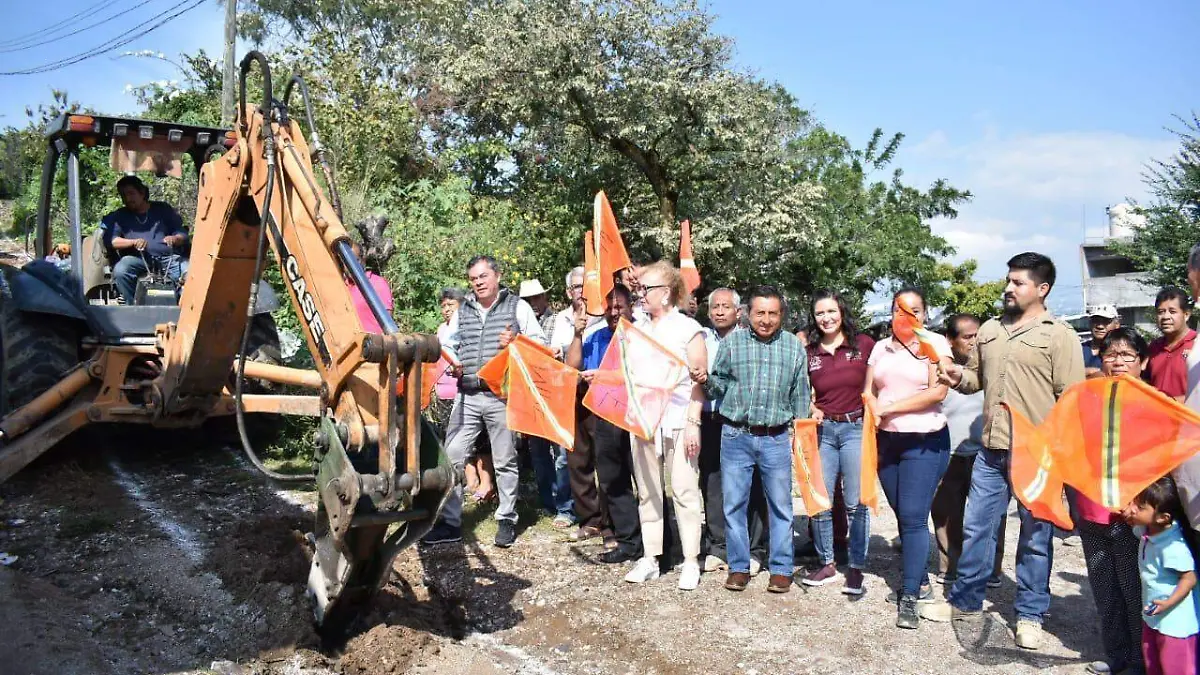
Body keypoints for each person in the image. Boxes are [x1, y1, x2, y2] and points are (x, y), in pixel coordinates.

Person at [923, 252, 1086, 651]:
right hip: (991, 451)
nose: (1008, 288)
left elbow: (1072, 400)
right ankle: (965, 600)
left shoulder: (1059, 335)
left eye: (1018, 282)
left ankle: (1029, 614)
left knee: (1034, 536)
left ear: (1041, 289)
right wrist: (957, 375)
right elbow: (976, 377)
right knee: (978, 528)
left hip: (1038, 455)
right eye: (1008, 280)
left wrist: (1064, 460)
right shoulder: (991, 329)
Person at [422, 255, 546, 549]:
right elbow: (447, 345)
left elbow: (539, 343)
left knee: (504, 460)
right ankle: (450, 522)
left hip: (501, 395)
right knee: (452, 456)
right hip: (467, 394)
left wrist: (516, 340)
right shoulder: (463, 310)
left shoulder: (517, 307)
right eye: (473, 278)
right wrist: (454, 362)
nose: (478, 282)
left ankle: (506, 519)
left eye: (483, 276)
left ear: (497, 276)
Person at [697, 285, 809, 595]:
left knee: (781, 506)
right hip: (735, 435)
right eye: (760, 312)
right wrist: (705, 379)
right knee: (734, 505)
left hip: (775, 438)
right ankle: (738, 567)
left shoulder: (793, 347)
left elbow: (801, 393)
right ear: (749, 313)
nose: (766, 319)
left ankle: (782, 569)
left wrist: (799, 434)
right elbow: (717, 385)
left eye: (773, 313)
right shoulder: (732, 344)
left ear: (781, 315)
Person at [864, 287, 952, 628]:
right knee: (903, 512)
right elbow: (870, 389)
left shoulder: (935, 344)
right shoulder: (879, 348)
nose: (908, 315)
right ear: (891, 313)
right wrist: (873, 407)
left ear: (925, 314)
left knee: (914, 517)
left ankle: (911, 595)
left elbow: (937, 391)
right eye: (900, 309)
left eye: (915, 310)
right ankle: (922, 579)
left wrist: (889, 408)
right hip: (887, 441)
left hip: (925, 440)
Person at [620, 261, 707, 590]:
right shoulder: (636, 327)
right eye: (638, 289)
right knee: (648, 491)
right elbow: (625, 372)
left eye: (646, 289)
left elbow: (700, 382)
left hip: (678, 421)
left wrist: (692, 423)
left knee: (684, 491)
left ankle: (690, 560)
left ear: (667, 294)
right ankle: (651, 558)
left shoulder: (688, 329)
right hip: (642, 420)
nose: (639, 294)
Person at [1074, 328, 1152, 675]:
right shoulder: (1087, 397)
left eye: (1127, 355)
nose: (1118, 361)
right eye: (1111, 354)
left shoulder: (1153, 402)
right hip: (1091, 510)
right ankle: (1115, 654)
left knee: (1133, 591)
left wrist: (1141, 504)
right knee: (1104, 589)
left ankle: (1139, 660)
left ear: (1142, 362)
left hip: (1130, 515)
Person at [801, 289, 875, 595]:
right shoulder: (811, 352)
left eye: (831, 311)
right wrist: (812, 407)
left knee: (856, 502)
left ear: (842, 312)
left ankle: (855, 567)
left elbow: (878, 385)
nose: (826, 318)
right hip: (824, 432)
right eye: (820, 313)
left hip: (855, 428)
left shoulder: (864, 345)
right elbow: (803, 392)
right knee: (820, 500)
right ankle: (827, 563)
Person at [930, 313, 1008, 589]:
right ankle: (950, 566)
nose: (974, 342)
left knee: (991, 516)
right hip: (948, 453)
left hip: (986, 454)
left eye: (977, 336)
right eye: (967, 337)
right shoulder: (938, 371)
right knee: (947, 514)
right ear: (950, 341)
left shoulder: (993, 369)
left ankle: (991, 569)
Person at [569, 284, 642, 563]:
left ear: (630, 306)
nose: (614, 311)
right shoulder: (596, 336)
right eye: (609, 307)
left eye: (619, 306)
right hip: (605, 417)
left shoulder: (641, 335)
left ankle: (659, 541)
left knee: (645, 483)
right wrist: (577, 332)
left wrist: (605, 375)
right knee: (613, 480)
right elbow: (572, 366)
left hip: (636, 417)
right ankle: (628, 541)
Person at [698, 288, 768, 576]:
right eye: (715, 306)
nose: (719, 311)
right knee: (713, 483)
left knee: (749, 487)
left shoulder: (749, 341)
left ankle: (754, 550)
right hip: (709, 419)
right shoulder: (701, 339)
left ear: (738, 312)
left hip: (740, 422)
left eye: (726, 306)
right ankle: (718, 546)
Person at [1122, 476, 1198, 675]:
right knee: (1153, 666)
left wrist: (1169, 602)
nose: (1132, 509)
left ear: (1163, 517)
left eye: (1140, 506)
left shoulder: (1173, 546)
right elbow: (1136, 526)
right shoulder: (1148, 531)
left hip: (1174, 626)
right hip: (1154, 620)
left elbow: (1190, 577)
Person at [519, 279, 577, 530]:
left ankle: (565, 505)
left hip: (557, 391)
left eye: (536, 298)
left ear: (545, 298)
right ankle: (549, 501)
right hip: (531, 392)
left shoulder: (560, 321)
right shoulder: (519, 324)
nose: (533, 304)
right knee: (539, 452)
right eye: (528, 300)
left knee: (561, 453)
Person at [99, 175, 187, 303]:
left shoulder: (162, 209)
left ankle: (183, 310)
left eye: (131, 193)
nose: (128, 199)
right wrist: (133, 242)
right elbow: (112, 240)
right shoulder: (120, 215)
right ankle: (133, 307)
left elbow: (181, 233)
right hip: (139, 260)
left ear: (142, 192)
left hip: (168, 258)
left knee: (190, 272)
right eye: (123, 195)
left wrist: (175, 238)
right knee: (121, 270)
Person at [1146, 286, 1196, 402]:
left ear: (1186, 315)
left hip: (1190, 417)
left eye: (1172, 311)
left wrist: (1170, 403)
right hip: (1156, 417)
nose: (1165, 317)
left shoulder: (1197, 345)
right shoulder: (1153, 347)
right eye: (1160, 312)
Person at [431, 288, 466, 433]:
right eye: (443, 306)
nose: (446, 309)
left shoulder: (466, 327)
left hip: (460, 390)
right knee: (445, 431)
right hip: (442, 392)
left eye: (450, 305)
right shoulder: (441, 329)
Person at [345, 241, 394, 334]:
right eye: (346, 262)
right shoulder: (342, 287)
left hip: (374, 345)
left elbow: (388, 323)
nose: (351, 266)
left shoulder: (377, 283)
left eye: (355, 260)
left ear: (363, 259)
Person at [1083, 305, 1121, 379]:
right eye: (1096, 321)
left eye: (1106, 322)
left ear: (1117, 325)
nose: (1100, 326)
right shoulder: (1078, 349)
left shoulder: (1122, 350)